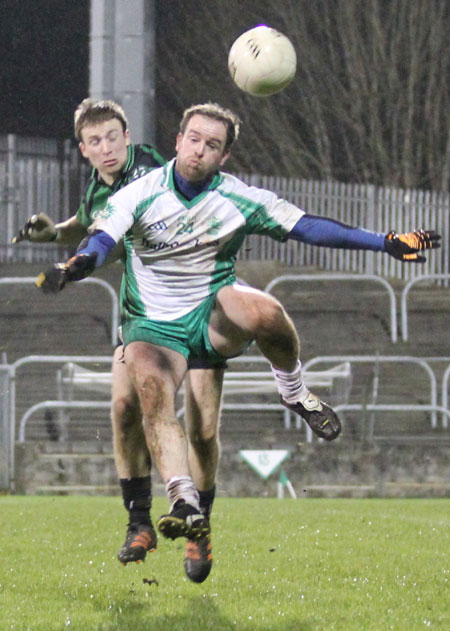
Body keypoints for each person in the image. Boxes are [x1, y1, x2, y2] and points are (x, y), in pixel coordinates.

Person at [35, 102, 440, 581]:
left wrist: (386, 242)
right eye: (194, 139)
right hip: (154, 324)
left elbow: (308, 225)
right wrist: (76, 265)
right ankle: (182, 505)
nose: (200, 150)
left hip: (210, 313)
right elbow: (102, 238)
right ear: (179, 138)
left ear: (224, 156)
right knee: (148, 399)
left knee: (253, 339)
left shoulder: (237, 197)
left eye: (213, 145)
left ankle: (293, 392)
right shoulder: (140, 192)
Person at [14, 98, 222, 583]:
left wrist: (71, 255)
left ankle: (199, 528)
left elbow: (115, 228)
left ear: (129, 138)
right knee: (124, 407)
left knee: (204, 431)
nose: (106, 148)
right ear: (83, 150)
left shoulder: (152, 169)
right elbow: (94, 222)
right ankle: (139, 524)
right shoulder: (97, 189)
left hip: (198, 306)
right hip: (143, 316)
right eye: (94, 141)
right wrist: (56, 234)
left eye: (112, 137)